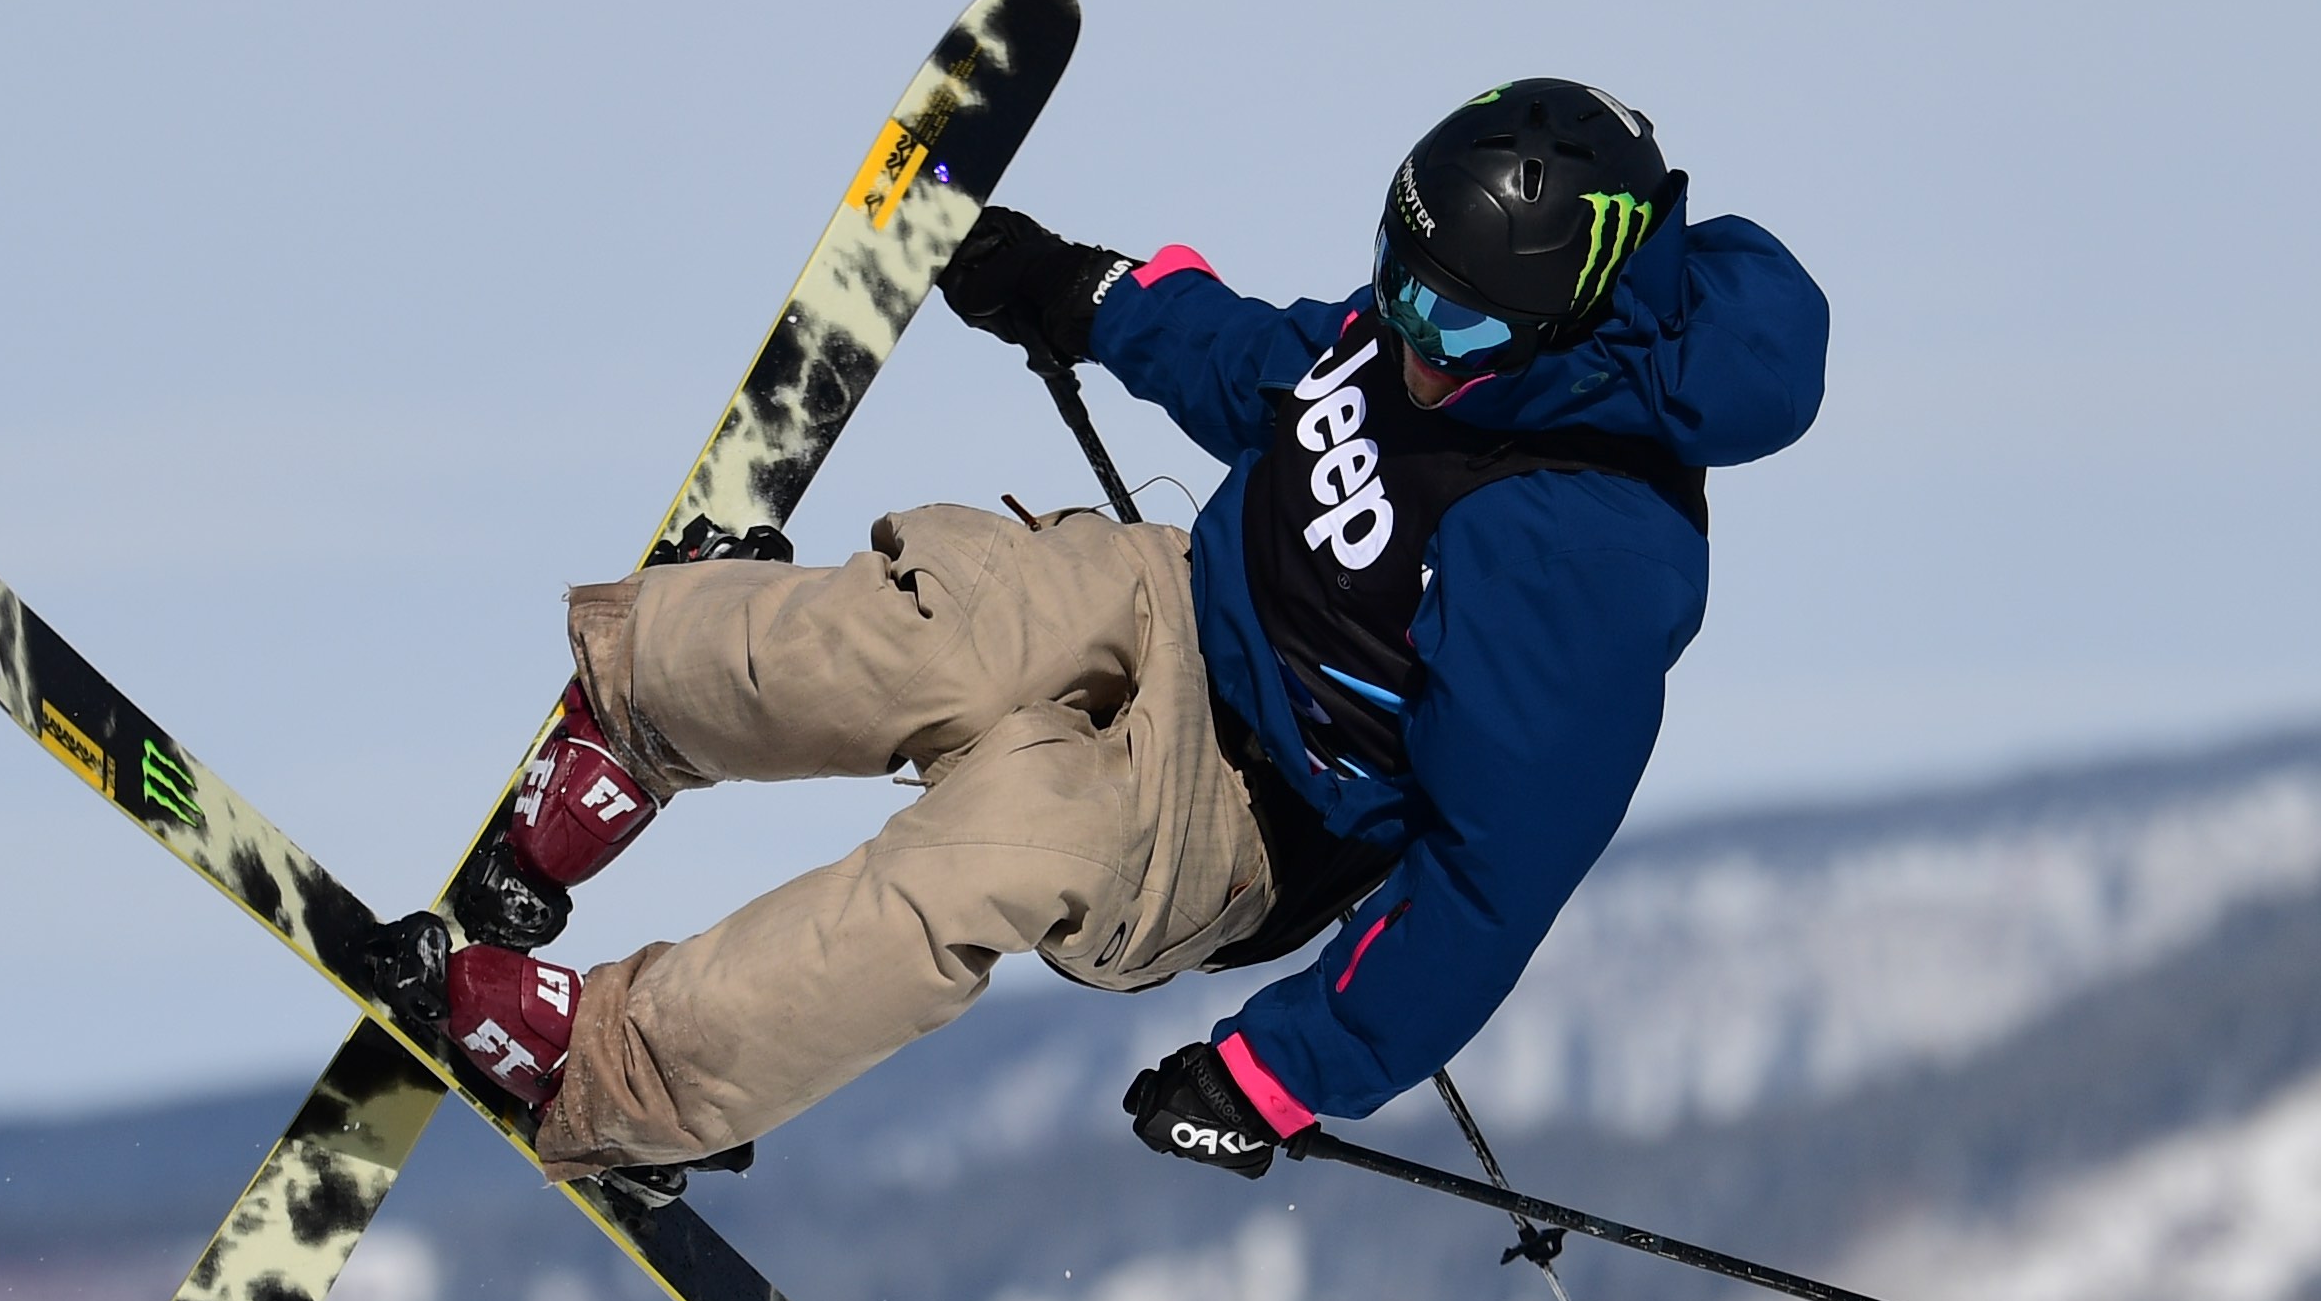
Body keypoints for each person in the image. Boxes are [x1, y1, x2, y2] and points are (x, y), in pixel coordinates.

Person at [381, 79, 1827, 1186]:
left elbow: (1487, 893)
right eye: (1399, 278)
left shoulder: (1580, 559)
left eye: (1448, 323)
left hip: (1252, 821)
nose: (1408, 336)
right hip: (1187, 604)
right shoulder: (1435, 343)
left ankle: (626, 1080)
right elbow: (1273, 368)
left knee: (1010, 836)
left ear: (1564, 327)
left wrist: (1275, 1076)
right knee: (945, 624)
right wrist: (1081, 294)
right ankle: (640, 711)